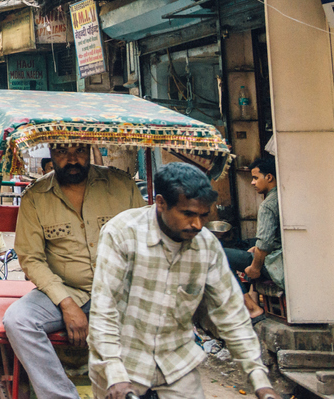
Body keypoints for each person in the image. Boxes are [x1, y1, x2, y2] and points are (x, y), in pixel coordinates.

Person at [88, 163, 281, 399]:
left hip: (177, 365)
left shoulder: (206, 245)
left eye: (203, 215)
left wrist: (259, 380)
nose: (197, 225)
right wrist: (114, 373)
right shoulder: (121, 233)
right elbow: (104, 310)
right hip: (122, 364)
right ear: (160, 203)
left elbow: (231, 314)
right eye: (188, 214)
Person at [1, 143, 145, 399]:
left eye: (79, 150)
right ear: (51, 153)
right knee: (18, 320)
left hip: (119, 290)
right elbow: (31, 259)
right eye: (62, 151)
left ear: (89, 149)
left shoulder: (121, 185)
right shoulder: (36, 196)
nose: (72, 159)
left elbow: (145, 240)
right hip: (66, 290)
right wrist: (66, 304)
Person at [225, 155, 284, 320]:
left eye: (255, 178)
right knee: (249, 246)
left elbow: (264, 244)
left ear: (269, 177)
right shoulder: (286, 196)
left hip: (275, 264)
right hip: (285, 258)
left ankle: (250, 307)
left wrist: (255, 268)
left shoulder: (268, 205)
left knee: (218, 255)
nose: (252, 182)